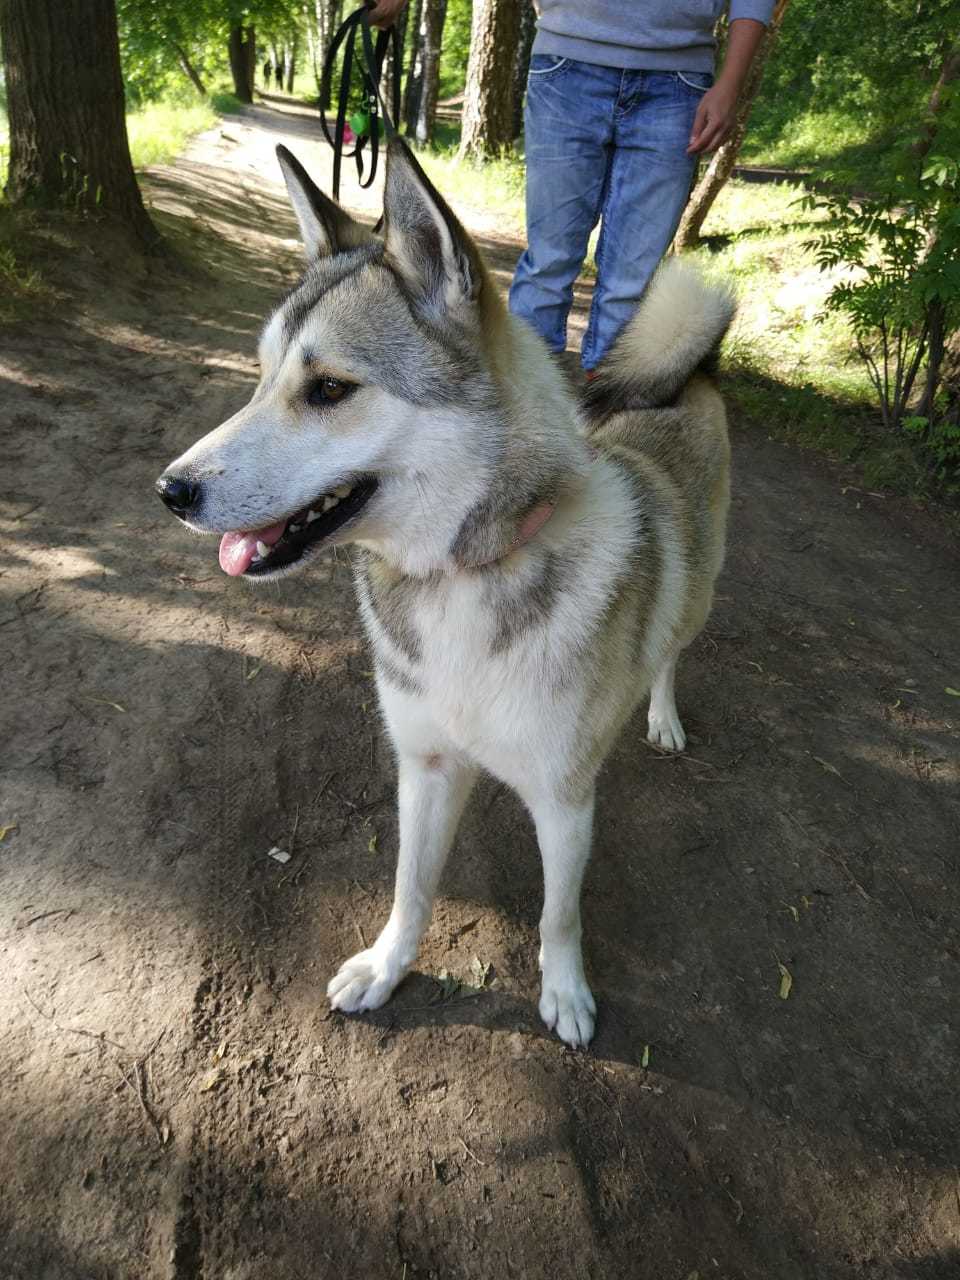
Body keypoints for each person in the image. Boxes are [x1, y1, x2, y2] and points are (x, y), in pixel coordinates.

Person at [510, 2, 775, 373]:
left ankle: (608, 423)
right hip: (567, 64)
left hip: (678, 84)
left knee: (631, 285)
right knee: (548, 265)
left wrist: (730, 84)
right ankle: (523, 417)